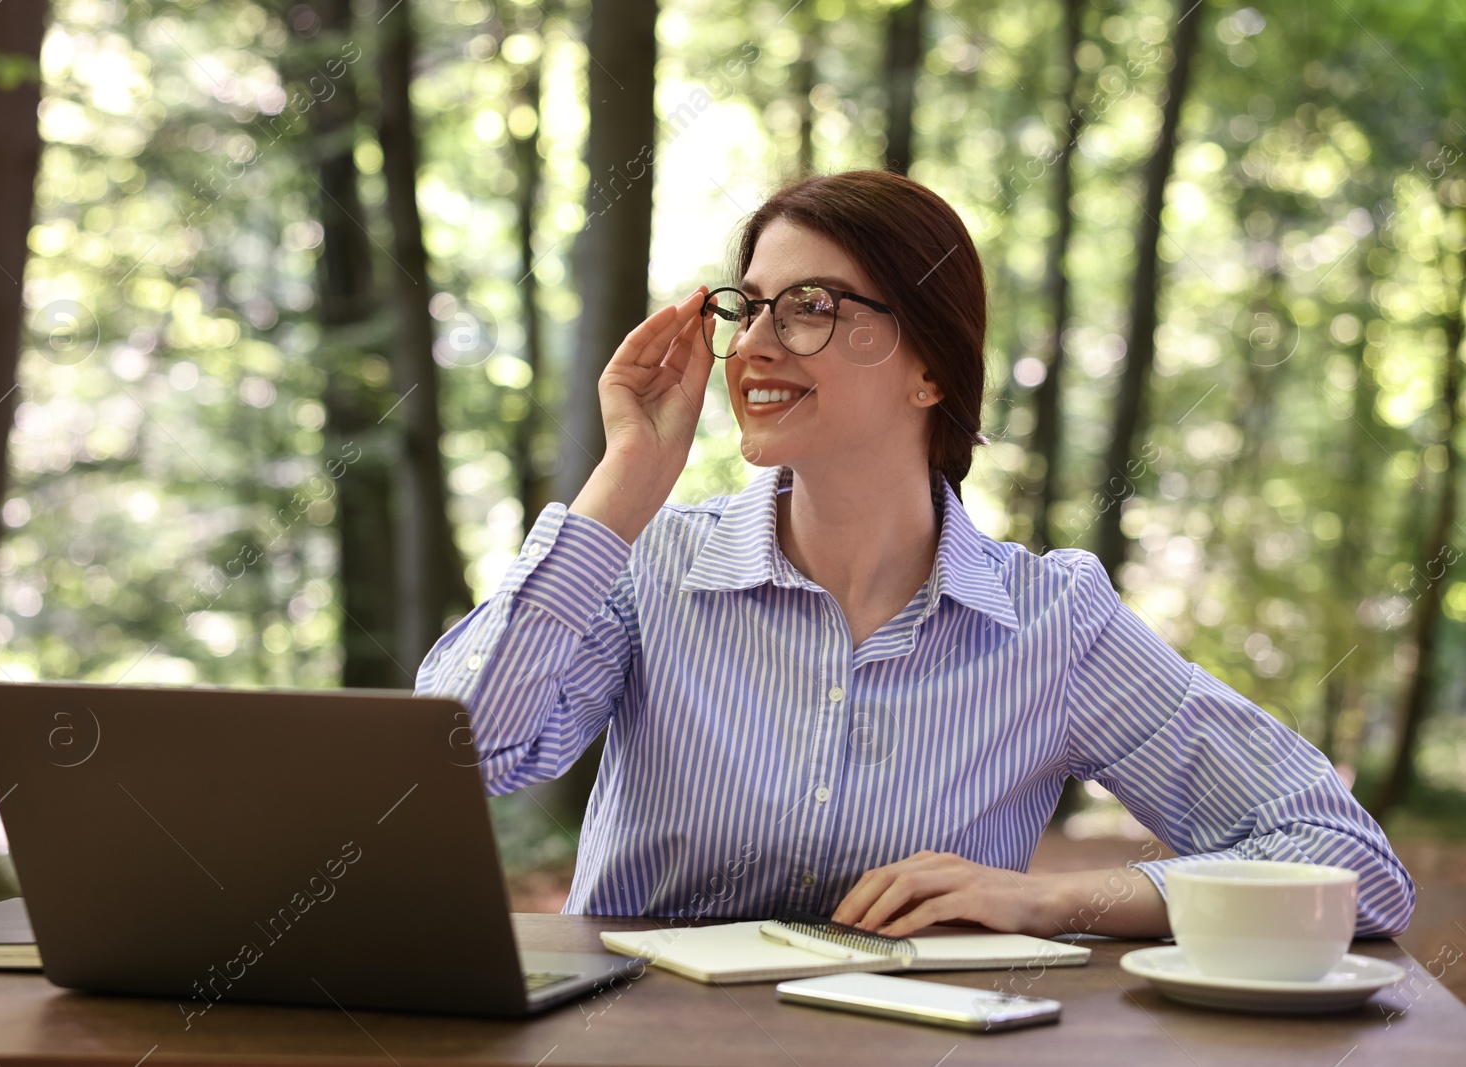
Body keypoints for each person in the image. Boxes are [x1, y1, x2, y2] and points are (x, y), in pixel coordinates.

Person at [416, 169, 1414, 940]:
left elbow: (1349, 866)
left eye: (810, 305)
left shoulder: (1051, 620)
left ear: (930, 364)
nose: (755, 342)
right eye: (748, 305)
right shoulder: (650, 566)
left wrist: (1054, 898)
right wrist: (627, 478)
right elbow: (459, 760)